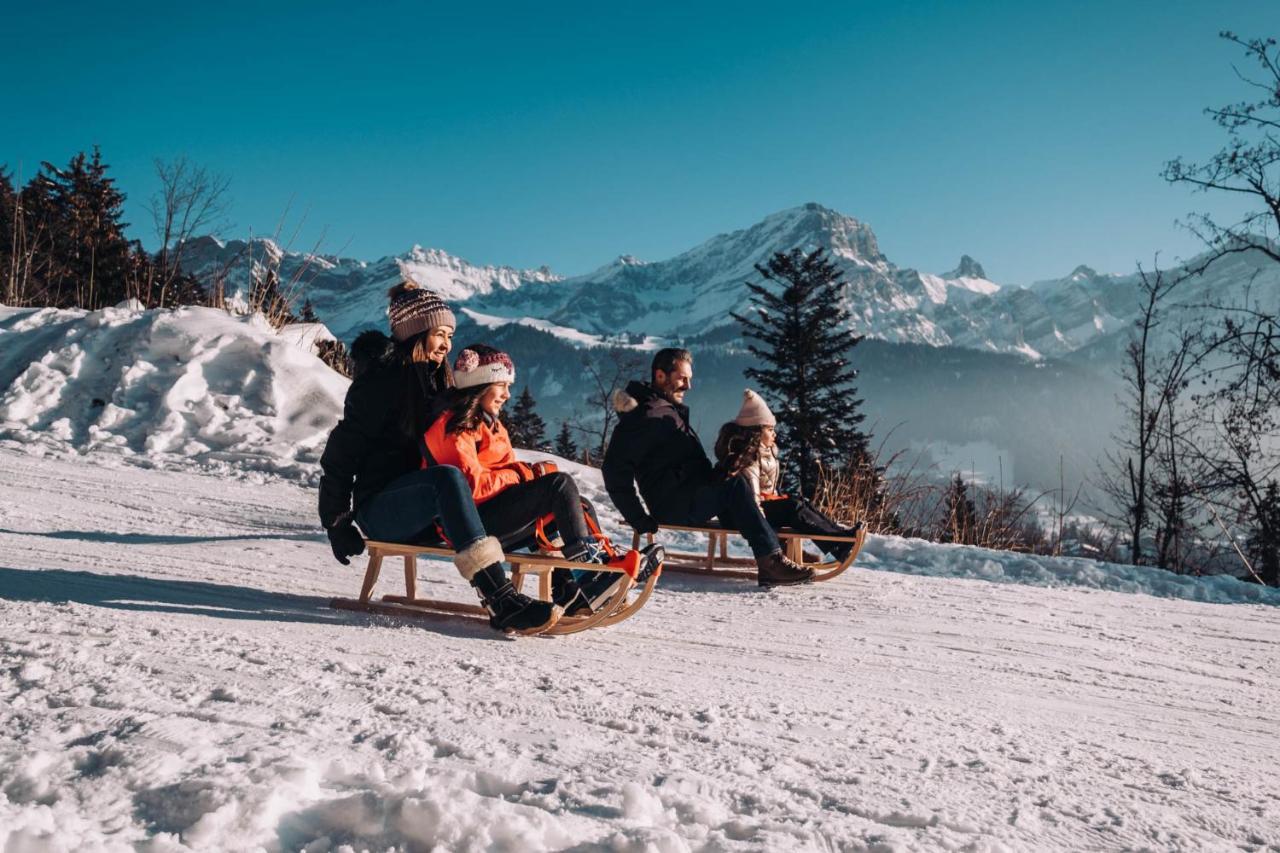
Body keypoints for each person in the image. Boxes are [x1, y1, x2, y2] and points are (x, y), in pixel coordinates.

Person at [317, 283, 561, 635]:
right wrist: (337, 522)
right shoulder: (380, 385)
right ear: (416, 333)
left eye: (450, 335)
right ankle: (501, 599)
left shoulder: (439, 384)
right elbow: (341, 454)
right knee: (445, 478)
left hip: (435, 509)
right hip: (384, 510)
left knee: (537, 486)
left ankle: (574, 588)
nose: (447, 345)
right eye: (440, 334)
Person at [423, 344, 663, 615]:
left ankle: (579, 587)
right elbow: (470, 487)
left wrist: (530, 474)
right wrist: (525, 475)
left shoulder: (491, 423)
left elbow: (502, 471)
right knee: (559, 486)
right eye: (501, 385)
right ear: (481, 384)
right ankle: (591, 574)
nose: (507, 394)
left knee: (577, 504)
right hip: (469, 525)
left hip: (493, 513)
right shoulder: (453, 426)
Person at [603, 348, 814, 587]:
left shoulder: (664, 409)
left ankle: (793, 544)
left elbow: (679, 464)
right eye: (682, 378)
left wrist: (720, 471)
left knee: (743, 484)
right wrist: (638, 519)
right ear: (660, 376)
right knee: (734, 486)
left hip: (689, 494)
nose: (688, 386)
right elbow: (614, 471)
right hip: (674, 505)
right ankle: (771, 562)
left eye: (689, 378)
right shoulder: (644, 417)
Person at [714, 390, 863, 564]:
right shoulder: (747, 458)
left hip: (753, 509)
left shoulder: (764, 452)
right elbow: (750, 500)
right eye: (770, 429)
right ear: (756, 431)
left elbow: (765, 488)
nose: (774, 434)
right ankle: (837, 544)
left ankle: (840, 536)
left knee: (799, 502)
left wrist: (776, 499)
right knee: (793, 507)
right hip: (741, 515)